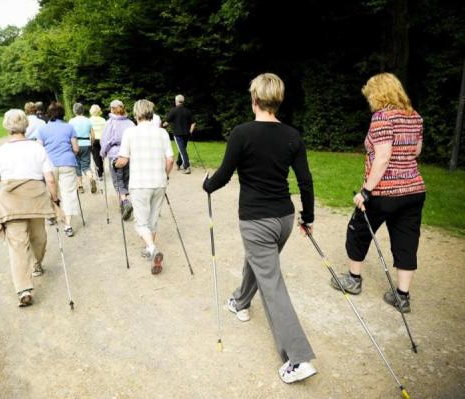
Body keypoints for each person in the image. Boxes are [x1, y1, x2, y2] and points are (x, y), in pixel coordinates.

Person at [203, 73, 317, 383]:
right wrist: (309, 216)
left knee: (273, 285)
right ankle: (240, 301)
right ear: (277, 100)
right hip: (284, 220)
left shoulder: (242, 133)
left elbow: (224, 175)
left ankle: (299, 358)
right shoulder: (292, 135)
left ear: (254, 99)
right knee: (259, 263)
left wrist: (207, 185)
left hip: (256, 221)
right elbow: (305, 181)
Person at [331, 72, 426, 313]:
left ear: (379, 93)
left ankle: (353, 279)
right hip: (414, 190)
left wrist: (366, 191)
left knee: (358, 230)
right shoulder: (414, 116)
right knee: (406, 241)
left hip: (384, 192)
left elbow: (383, 158)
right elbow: (416, 151)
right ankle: (402, 296)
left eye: (370, 95)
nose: (369, 100)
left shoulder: (382, 117)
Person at [0, 109, 59, 307]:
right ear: (26, 125)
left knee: (17, 245)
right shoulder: (37, 148)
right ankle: (36, 266)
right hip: (36, 199)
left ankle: (24, 289)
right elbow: (50, 178)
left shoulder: (1, 151)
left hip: (11, 201)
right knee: (39, 237)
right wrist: (55, 200)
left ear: (6, 126)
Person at [113, 99, 174, 275]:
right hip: (159, 182)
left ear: (136, 113)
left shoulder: (130, 133)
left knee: (141, 222)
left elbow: (123, 159)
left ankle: (152, 248)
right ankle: (150, 249)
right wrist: (166, 174)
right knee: (153, 219)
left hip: (140, 183)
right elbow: (170, 160)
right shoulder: (162, 132)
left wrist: (116, 164)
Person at [38, 102, 80, 237]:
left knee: (51, 191)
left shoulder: (43, 129)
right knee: (69, 193)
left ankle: (52, 215)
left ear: (48, 114)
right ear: (63, 114)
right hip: (67, 163)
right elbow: (76, 149)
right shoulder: (69, 127)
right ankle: (68, 225)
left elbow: (39, 150)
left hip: (49, 164)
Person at [100, 100, 136, 220]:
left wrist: (102, 153)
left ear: (111, 109)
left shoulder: (110, 123)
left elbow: (105, 140)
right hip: (128, 155)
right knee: (125, 180)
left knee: (117, 180)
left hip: (115, 155)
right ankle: (123, 204)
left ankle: (125, 203)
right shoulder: (130, 123)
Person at [164, 94, 196, 174]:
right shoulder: (187, 111)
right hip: (186, 134)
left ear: (176, 101)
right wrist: (191, 131)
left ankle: (187, 167)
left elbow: (166, 122)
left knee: (182, 150)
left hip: (178, 134)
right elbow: (193, 123)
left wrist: (161, 127)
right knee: (182, 149)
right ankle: (179, 163)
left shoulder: (173, 110)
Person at [69, 103, 97, 194]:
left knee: (77, 165)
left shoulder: (71, 121)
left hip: (75, 144)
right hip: (86, 144)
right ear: (83, 110)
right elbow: (92, 135)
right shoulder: (88, 120)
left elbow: (69, 135)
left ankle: (80, 186)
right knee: (86, 166)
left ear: (74, 111)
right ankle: (91, 177)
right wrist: (91, 144)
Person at [89, 104, 107, 180]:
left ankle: (99, 174)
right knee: (101, 155)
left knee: (96, 157)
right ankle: (101, 170)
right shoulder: (103, 120)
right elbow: (105, 131)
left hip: (93, 139)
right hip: (102, 139)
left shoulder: (89, 120)